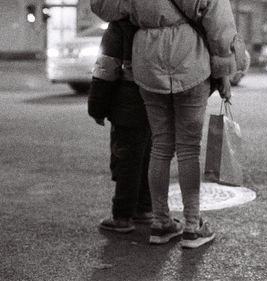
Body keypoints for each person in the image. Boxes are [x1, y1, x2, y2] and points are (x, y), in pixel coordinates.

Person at [90, 0, 248, 248]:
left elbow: (102, 6)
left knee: (160, 146)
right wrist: (223, 73)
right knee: (188, 149)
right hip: (190, 59)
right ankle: (192, 227)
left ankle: (161, 223)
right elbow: (220, 25)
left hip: (147, 61)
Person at [88, 20, 153, 233]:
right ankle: (144, 209)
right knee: (150, 157)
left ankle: (122, 217)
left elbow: (107, 67)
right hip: (158, 100)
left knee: (126, 159)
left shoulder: (121, 24)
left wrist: (97, 108)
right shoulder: (165, 19)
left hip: (128, 100)